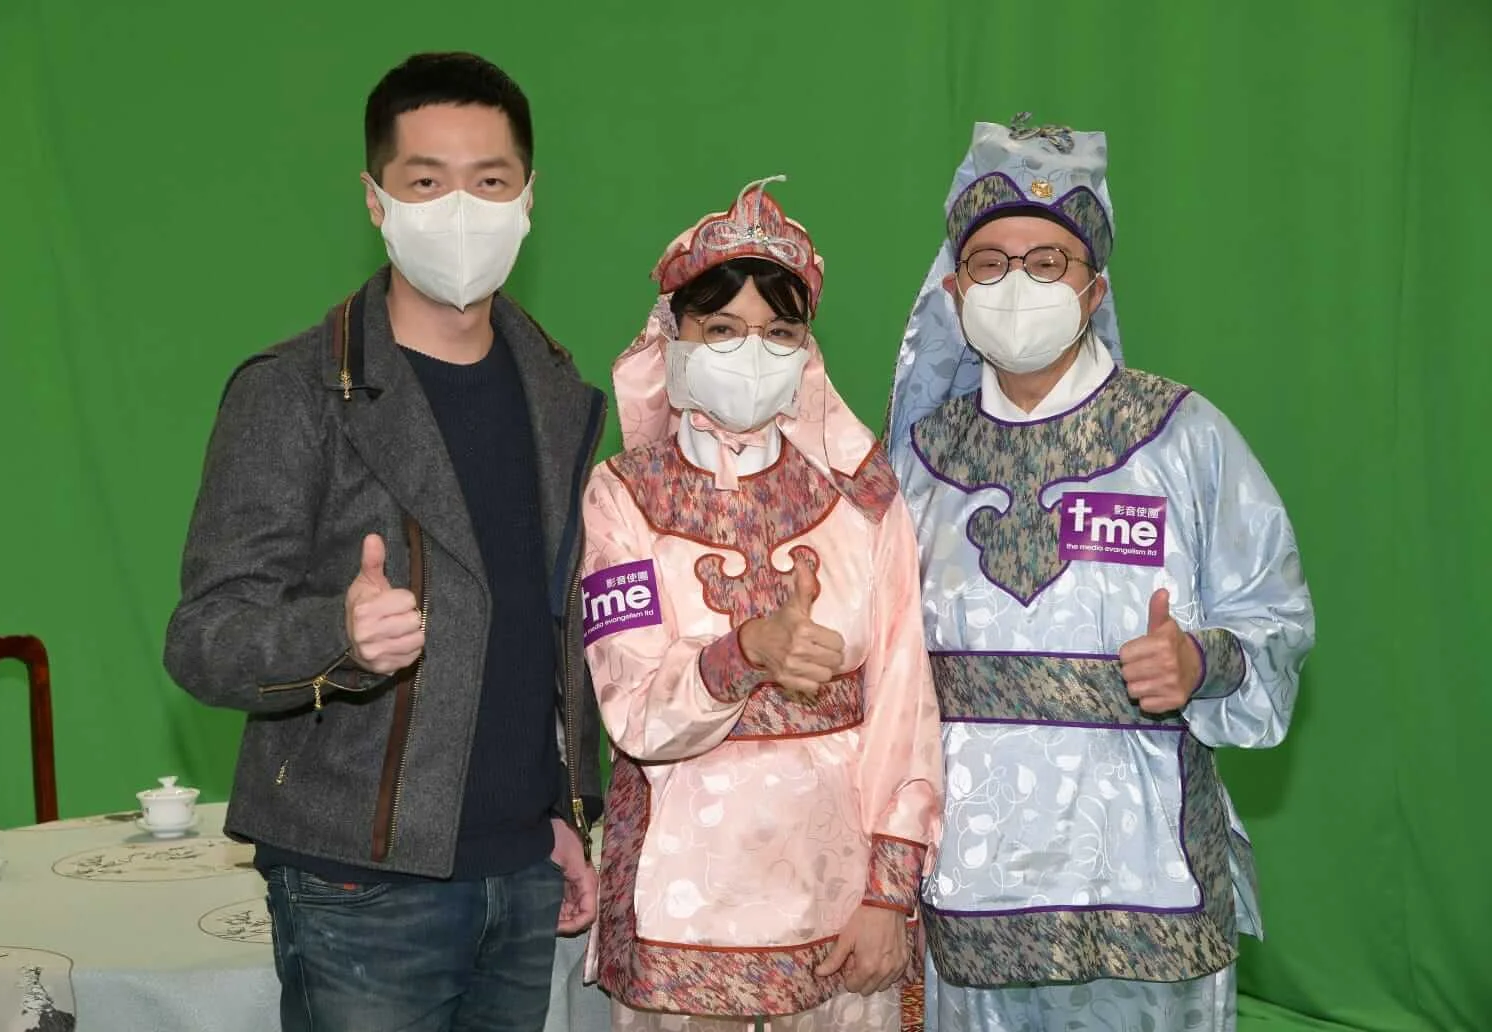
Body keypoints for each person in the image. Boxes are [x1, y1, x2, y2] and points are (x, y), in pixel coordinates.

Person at [164, 52, 605, 1032]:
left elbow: (545, 627)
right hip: (357, 882)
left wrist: (561, 811)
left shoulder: (558, 395)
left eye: (490, 180)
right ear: (375, 200)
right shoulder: (294, 392)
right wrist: (338, 635)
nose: (463, 209)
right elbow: (203, 636)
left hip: (522, 869)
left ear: (529, 196)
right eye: (427, 181)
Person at [884, 116, 1316, 1031]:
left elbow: (1275, 615)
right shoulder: (917, 463)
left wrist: (1201, 663)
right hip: (973, 888)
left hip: (1146, 877)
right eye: (991, 262)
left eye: (1048, 262)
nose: (1018, 283)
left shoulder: (1181, 438)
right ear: (955, 290)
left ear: (1095, 287)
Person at [580, 177, 945, 1031]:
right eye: (722, 329)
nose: (753, 353)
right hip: (679, 909)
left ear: (806, 351)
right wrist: (745, 652)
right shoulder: (621, 495)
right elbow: (634, 708)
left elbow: (906, 705)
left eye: (779, 333)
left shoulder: (862, 498)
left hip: (841, 906)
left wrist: (889, 894)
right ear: (672, 338)